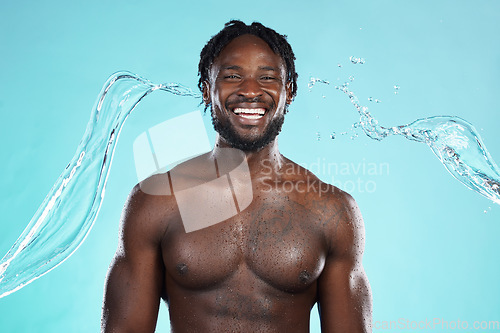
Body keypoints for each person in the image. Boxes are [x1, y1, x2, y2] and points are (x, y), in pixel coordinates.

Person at [101, 20, 372, 332]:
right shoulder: (158, 200)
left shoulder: (331, 210)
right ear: (207, 89)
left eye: (267, 78)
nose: (250, 91)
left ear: (289, 91)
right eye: (232, 76)